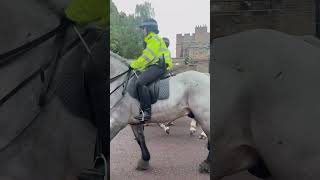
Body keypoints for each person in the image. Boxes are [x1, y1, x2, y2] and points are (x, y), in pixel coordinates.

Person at [130, 18, 173, 122]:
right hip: (157, 65)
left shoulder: (153, 39)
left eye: (143, 28)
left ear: (148, 29)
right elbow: (149, 60)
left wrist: (133, 65)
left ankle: (147, 112)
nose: (143, 31)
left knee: (140, 82)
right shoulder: (154, 39)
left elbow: (147, 57)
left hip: (158, 66)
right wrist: (139, 67)